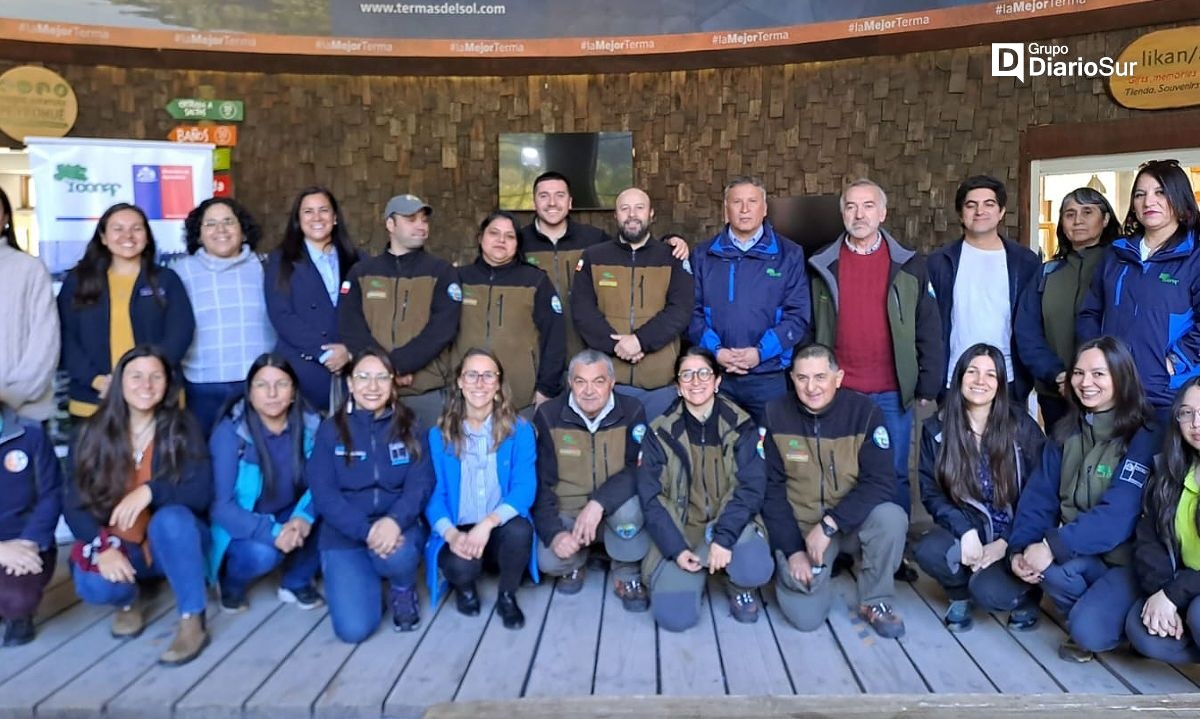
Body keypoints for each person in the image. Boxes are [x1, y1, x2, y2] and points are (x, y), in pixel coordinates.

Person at [972, 337, 1156, 662]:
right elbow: (1038, 498)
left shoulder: (1143, 434)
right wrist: (1021, 549)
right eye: (1078, 373)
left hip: (1126, 562)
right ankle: (1095, 607)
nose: (1086, 383)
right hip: (1080, 554)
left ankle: (1110, 614)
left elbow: (1117, 516)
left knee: (1087, 632)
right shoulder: (1065, 431)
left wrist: (1051, 547)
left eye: (1099, 374)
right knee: (991, 587)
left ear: (1121, 377)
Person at [63, 346, 212, 666]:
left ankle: (192, 619)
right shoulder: (90, 432)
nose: (146, 385)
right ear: (119, 382)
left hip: (172, 545)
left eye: (155, 376)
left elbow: (201, 492)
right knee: (91, 583)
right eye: (136, 376)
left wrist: (150, 491)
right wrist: (102, 547)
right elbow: (73, 502)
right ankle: (129, 602)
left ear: (166, 383)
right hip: (122, 545)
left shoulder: (182, 427)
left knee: (171, 519)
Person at [809, 178, 943, 526]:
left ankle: (893, 553)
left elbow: (927, 326)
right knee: (839, 471)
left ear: (882, 213)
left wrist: (928, 384)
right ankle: (841, 546)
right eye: (851, 206)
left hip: (891, 391)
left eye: (868, 206)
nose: (859, 214)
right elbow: (810, 328)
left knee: (894, 471)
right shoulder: (822, 265)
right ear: (842, 214)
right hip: (839, 389)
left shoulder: (910, 264)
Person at [761, 343, 908, 638]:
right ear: (792, 379)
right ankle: (799, 573)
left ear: (838, 378)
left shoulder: (865, 413)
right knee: (806, 619)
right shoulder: (774, 413)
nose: (811, 387)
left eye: (820, 377)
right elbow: (770, 490)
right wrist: (792, 551)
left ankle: (875, 600)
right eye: (802, 378)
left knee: (891, 517)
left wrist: (830, 524)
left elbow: (880, 481)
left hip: (847, 524)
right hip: (800, 527)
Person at [638, 348, 773, 631]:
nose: (695, 381)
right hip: (684, 529)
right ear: (677, 386)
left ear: (717, 381)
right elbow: (651, 497)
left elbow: (752, 486)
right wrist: (675, 549)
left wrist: (724, 537)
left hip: (730, 527)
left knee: (754, 566)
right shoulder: (659, 431)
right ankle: (696, 571)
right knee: (674, 617)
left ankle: (736, 583)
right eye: (686, 375)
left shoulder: (741, 425)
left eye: (703, 373)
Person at [914, 344, 1045, 632]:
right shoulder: (937, 429)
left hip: (1015, 534)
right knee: (928, 549)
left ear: (1000, 385)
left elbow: (1042, 495)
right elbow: (931, 491)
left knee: (989, 593)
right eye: (972, 372)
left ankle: (1025, 597)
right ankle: (959, 593)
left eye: (990, 374)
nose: (979, 381)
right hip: (970, 529)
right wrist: (965, 531)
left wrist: (1008, 542)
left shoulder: (1021, 426)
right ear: (958, 377)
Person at [307, 349, 434, 642]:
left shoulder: (411, 426)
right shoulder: (330, 431)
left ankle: (402, 588)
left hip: (398, 529)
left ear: (393, 384)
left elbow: (421, 483)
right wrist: (367, 531)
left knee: (399, 556)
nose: (372, 386)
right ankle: (365, 586)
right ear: (350, 383)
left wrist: (394, 521)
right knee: (354, 630)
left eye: (381, 377)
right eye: (363, 377)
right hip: (346, 534)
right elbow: (324, 494)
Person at [519, 172, 689, 362]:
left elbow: (633, 248)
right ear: (534, 202)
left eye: (560, 195)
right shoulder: (519, 244)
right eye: (544, 196)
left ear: (570, 202)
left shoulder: (593, 239)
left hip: (589, 354)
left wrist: (671, 242)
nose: (552, 203)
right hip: (540, 353)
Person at [1078, 159, 1200, 418]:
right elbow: (1090, 312)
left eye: (1160, 192)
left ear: (1179, 199)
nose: (1149, 202)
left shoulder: (1195, 256)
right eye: (1140, 194)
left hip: (1170, 393)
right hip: (1113, 392)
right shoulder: (1117, 253)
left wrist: (1175, 362)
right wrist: (1096, 361)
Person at [426, 348, 539, 629]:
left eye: (488, 375)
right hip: (459, 528)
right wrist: (451, 535)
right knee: (461, 567)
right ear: (460, 383)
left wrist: (487, 524)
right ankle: (465, 588)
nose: (480, 383)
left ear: (498, 384)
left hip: (497, 524)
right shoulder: (439, 435)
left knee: (520, 531)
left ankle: (507, 595)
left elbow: (525, 488)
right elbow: (433, 495)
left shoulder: (519, 430)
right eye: (472, 375)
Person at [532, 349, 651, 611]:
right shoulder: (549, 414)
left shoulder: (632, 410)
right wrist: (554, 534)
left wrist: (598, 503)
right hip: (570, 511)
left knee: (631, 510)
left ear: (611, 382)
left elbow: (637, 469)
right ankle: (577, 561)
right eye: (580, 381)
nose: (589, 390)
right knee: (549, 561)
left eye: (598, 381)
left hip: (615, 506)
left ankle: (626, 571)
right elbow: (541, 482)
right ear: (570, 383)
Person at [689, 176, 811, 423]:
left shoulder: (789, 255)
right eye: (737, 202)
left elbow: (798, 316)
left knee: (771, 450)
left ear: (764, 209)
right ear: (726, 210)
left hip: (769, 375)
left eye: (752, 201)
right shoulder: (703, 255)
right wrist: (716, 351)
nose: (744, 209)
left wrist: (759, 352)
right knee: (718, 450)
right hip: (716, 375)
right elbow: (691, 312)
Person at [58, 203, 195, 420]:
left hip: (156, 396)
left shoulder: (167, 279)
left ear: (147, 236)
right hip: (93, 399)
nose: (128, 235)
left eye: (136, 228)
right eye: (118, 228)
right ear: (103, 237)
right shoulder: (78, 281)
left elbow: (181, 332)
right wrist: (96, 380)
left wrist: (149, 377)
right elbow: (65, 337)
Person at [208, 354, 323, 614]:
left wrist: (303, 517)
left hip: (290, 512)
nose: (272, 393)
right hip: (246, 520)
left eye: (281, 384)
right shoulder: (230, 434)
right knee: (262, 554)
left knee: (333, 509)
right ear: (249, 393)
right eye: (262, 385)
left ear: (293, 392)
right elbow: (222, 507)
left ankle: (296, 581)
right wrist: (273, 533)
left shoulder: (311, 426)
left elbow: (322, 483)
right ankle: (231, 585)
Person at [339, 194, 462, 431]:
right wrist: (385, 371)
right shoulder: (361, 272)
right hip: (371, 395)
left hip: (425, 394)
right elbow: (350, 326)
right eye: (410, 219)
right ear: (390, 225)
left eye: (424, 220)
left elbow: (441, 330)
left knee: (429, 464)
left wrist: (395, 367)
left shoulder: (442, 272)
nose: (421, 225)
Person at [572, 187, 694, 420]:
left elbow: (681, 309)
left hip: (660, 385)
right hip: (606, 384)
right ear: (615, 215)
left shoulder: (673, 258)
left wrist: (640, 341)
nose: (632, 214)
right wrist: (617, 346)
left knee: (658, 453)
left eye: (639, 208)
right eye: (624, 208)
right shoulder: (592, 257)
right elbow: (583, 310)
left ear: (651, 214)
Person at [928, 175, 1039, 403]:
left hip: (1007, 378)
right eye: (971, 205)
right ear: (961, 213)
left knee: (1006, 439)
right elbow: (928, 323)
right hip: (954, 378)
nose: (980, 211)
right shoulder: (939, 262)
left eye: (989, 204)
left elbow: (1034, 322)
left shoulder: (1025, 262)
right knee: (955, 439)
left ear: (1001, 212)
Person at [1016, 188, 1120, 430]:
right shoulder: (1047, 273)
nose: (1078, 220)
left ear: (1105, 220)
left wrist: (1091, 378)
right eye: (1069, 214)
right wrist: (1059, 376)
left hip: (1110, 394)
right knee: (1060, 462)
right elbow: (1027, 331)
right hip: (1056, 393)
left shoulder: (1120, 268)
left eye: (1087, 212)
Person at [174, 198, 275, 435]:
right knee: (203, 461)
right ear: (198, 235)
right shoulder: (180, 271)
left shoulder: (266, 267)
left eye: (228, 221)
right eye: (210, 224)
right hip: (202, 387)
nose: (221, 230)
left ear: (242, 230)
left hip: (258, 383)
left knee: (257, 463)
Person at [451, 211, 565, 415]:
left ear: (517, 244)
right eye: (494, 233)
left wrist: (546, 389)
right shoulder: (458, 278)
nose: (501, 240)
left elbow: (554, 338)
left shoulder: (536, 281)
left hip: (520, 397)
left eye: (510, 236)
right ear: (480, 237)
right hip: (465, 396)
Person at [265, 187, 362, 413]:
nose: (316, 217)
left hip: (350, 368)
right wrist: (325, 353)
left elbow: (368, 315)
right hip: (301, 369)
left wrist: (348, 351)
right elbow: (281, 315)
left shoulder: (358, 259)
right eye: (308, 211)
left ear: (335, 217)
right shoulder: (280, 260)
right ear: (298, 220)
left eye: (323, 210)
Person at [1126, 377, 1200, 663]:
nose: (1195, 422)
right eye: (1187, 412)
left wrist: (1173, 593)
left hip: (1189, 590)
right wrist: (1162, 592)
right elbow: (1148, 536)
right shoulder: (1173, 468)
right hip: (1186, 583)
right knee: (1141, 626)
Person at [0, 401, 64, 646]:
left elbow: (52, 493)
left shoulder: (30, 433)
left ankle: (18, 617)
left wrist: (29, 542)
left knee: (16, 599)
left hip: (26, 543)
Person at [0, 187, 60, 422]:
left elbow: (45, 341)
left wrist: (10, 394)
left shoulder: (29, 268)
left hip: (23, 413)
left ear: (5, 219)